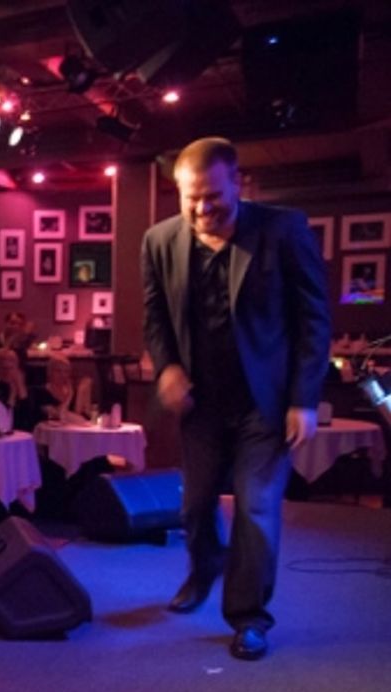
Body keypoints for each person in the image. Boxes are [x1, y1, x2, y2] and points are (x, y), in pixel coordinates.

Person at [142, 136, 329, 660]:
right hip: (201, 404)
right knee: (195, 506)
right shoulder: (158, 241)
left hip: (265, 405)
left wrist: (304, 399)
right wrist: (169, 367)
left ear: (238, 184)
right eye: (190, 198)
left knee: (255, 508)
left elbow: (314, 319)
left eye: (214, 198)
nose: (202, 210)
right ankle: (204, 571)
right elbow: (154, 317)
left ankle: (249, 617)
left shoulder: (282, 229)